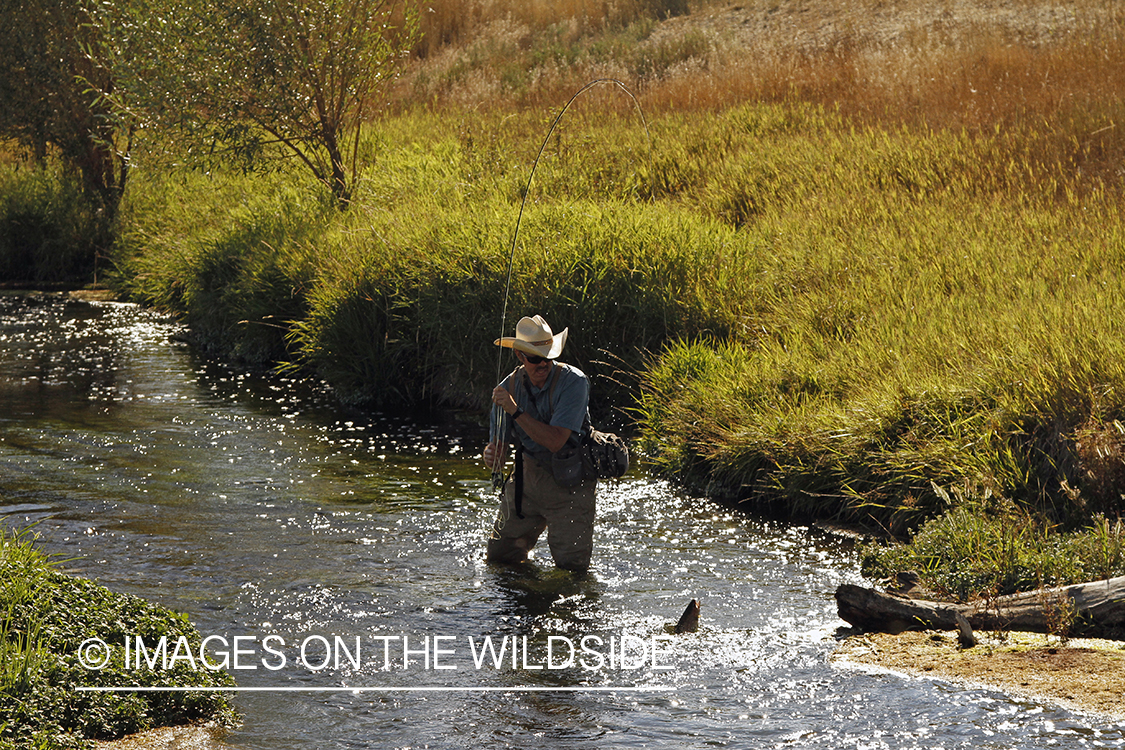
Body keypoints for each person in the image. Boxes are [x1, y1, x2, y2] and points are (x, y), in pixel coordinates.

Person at [482, 314, 596, 572]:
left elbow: (556, 441)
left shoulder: (574, 383)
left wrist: (515, 410)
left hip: (571, 484)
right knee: (500, 559)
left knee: (571, 569)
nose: (543, 363)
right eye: (534, 358)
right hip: (526, 483)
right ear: (520, 357)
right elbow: (498, 455)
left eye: (548, 356)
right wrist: (492, 455)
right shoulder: (506, 388)